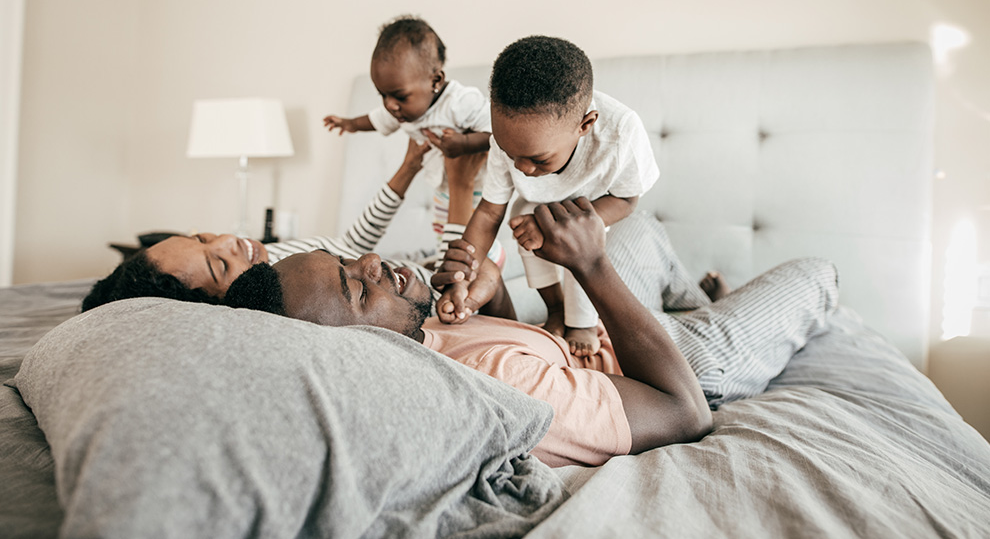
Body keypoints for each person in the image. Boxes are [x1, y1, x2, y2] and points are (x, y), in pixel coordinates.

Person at [223, 200, 838, 468]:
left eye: (348, 259)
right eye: (358, 289)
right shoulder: (499, 390)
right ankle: (705, 322)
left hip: (590, 334)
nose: (374, 266)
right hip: (677, 373)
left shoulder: (414, 324)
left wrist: (500, 291)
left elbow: (526, 342)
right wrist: (590, 267)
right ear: (354, 351)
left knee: (640, 227)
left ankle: (701, 303)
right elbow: (685, 416)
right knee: (819, 274)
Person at [436, 35, 659, 358]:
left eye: (538, 159)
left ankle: (582, 320)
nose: (522, 168)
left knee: (574, 247)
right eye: (511, 153)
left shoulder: (621, 132)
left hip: (591, 207)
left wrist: (561, 227)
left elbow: (626, 200)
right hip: (533, 205)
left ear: (585, 124)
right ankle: (554, 308)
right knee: (524, 225)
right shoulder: (511, 135)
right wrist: (463, 270)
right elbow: (488, 212)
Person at [81, 139, 447, 311]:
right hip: (433, 277)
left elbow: (353, 241)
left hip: (418, 261)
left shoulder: (287, 259)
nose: (229, 240)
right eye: (221, 264)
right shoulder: (303, 293)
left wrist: (410, 166)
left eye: (203, 237)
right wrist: (460, 189)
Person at [322, 16, 500, 264]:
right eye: (382, 95)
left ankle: (490, 260)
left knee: (476, 236)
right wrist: (350, 123)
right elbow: (376, 120)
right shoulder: (403, 109)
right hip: (441, 188)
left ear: (435, 81)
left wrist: (464, 144)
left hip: (478, 187)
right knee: (441, 232)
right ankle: (442, 262)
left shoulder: (461, 102)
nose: (390, 105)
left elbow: (498, 134)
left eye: (399, 96)